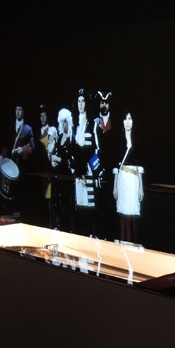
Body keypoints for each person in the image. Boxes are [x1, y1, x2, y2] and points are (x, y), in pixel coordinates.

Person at [113, 111, 144, 244]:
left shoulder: (137, 141)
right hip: (122, 180)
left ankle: (134, 245)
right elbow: (115, 167)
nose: (127, 121)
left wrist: (141, 188)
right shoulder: (119, 141)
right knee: (123, 214)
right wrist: (115, 187)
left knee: (133, 214)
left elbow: (140, 167)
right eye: (125, 119)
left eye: (130, 118)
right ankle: (122, 244)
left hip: (133, 181)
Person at [0, 104, 35, 215]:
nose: (17, 112)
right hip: (9, 163)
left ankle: (18, 212)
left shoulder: (28, 129)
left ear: (23, 112)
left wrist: (22, 150)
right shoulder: (10, 126)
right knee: (6, 188)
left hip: (20, 164)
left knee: (18, 189)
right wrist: (1, 156)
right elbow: (6, 143)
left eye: (20, 110)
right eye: (16, 110)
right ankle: (7, 210)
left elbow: (32, 146)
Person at [72, 88, 98, 237]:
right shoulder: (74, 124)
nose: (81, 104)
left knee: (90, 207)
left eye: (83, 101)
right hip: (78, 172)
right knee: (80, 206)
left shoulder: (91, 123)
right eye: (79, 101)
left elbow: (93, 148)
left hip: (88, 171)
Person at [93, 90, 118, 241]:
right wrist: (96, 169)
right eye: (102, 102)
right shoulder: (95, 123)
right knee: (99, 206)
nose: (104, 105)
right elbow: (93, 148)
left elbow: (116, 149)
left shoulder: (114, 124)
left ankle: (110, 237)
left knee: (110, 207)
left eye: (106, 103)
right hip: (98, 171)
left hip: (111, 171)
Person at [50, 108, 75, 232]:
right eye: (62, 122)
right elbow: (54, 152)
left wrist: (60, 159)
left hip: (67, 176)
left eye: (66, 121)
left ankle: (68, 228)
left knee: (67, 204)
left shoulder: (71, 138)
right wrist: (53, 159)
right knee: (58, 202)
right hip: (58, 175)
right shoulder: (59, 137)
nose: (64, 124)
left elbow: (70, 157)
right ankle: (58, 226)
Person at [37, 104, 57, 227]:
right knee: (43, 195)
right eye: (41, 116)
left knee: (50, 197)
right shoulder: (38, 131)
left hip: (50, 167)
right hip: (41, 167)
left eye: (44, 116)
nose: (42, 118)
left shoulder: (52, 129)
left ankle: (52, 222)